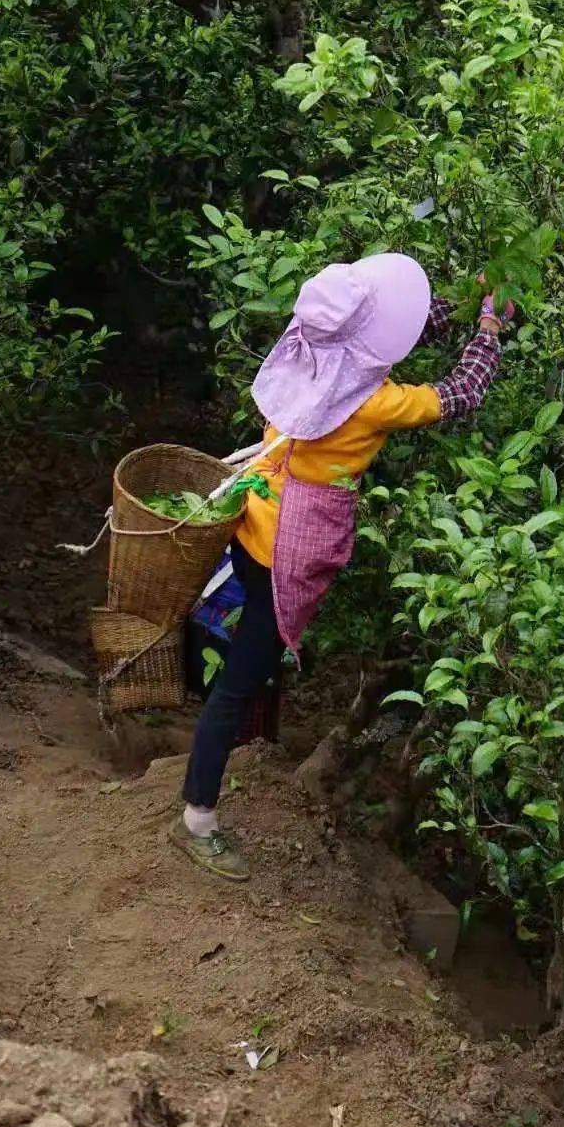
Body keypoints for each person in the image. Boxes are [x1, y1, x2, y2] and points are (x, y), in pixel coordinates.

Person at [170, 253, 510, 881]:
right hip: (287, 551)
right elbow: (460, 394)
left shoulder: (302, 345)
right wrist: (488, 331)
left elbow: (397, 330)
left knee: (253, 658)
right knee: (239, 682)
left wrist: (470, 299)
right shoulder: (374, 401)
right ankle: (197, 817)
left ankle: (244, 743)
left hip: (253, 523)